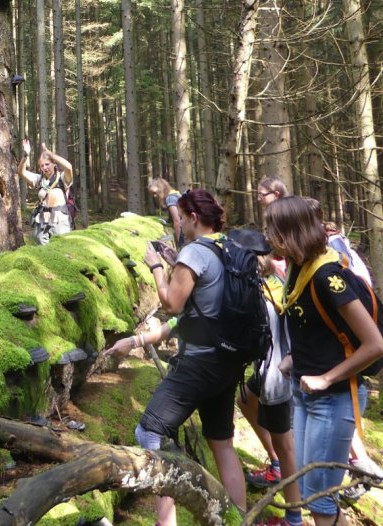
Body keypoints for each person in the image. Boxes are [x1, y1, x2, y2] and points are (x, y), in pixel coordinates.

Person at [266, 196, 383, 526]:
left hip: (334, 399)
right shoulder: (299, 268)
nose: (267, 236)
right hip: (306, 394)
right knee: (314, 492)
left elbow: (375, 344)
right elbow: (314, 326)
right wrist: (293, 358)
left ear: (290, 233)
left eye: (271, 229)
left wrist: (327, 378)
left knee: (321, 501)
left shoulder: (327, 276)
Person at [136, 189, 246, 526]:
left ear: (194, 218)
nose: (179, 224)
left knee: (150, 432)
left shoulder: (195, 252)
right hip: (229, 359)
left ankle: (165, 522)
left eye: (182, 218)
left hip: (200, 362)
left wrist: (156, 266)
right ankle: (238, 518)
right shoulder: (229, 247)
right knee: (221, 442)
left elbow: (172, 304)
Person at [235, 250, 303, 526]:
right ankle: (275, 464)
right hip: (274, 367)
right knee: (246, 400)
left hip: (276, 374)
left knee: (285, 445)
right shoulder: (273, 281)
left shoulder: (257, 293)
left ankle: (294, 517)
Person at [18, 139, 73, 245]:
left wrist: (50, 154)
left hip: (60, 221)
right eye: (42, 165)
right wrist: (25, 155)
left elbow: (69, 167)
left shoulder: (62, 178)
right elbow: (21, 172)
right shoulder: (39, 179)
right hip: (42, 222)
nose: (45, 167)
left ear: (54, 164)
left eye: (47, 164)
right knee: (44, 254)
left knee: (62, 251)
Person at [148, 178, 184, 248]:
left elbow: (177, 221)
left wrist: (180, 244)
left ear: (161, 189)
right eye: (152, 194)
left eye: (155, 192)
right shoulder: (175, 194)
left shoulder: (170, 198)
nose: (154, 196)